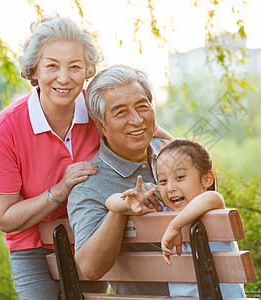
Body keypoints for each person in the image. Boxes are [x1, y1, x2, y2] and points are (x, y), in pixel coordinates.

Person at [0, 16, 170, 299]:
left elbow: (156, 137)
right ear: (34, 69)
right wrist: (60, 190)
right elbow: (5, 218)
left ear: (87, 70)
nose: (64, 77)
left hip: (90, 235)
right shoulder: (4, 130)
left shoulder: (102, 109)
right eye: (52, 66)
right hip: (33, 248)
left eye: (75, 67)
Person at [67, 64, 170, 296]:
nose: (136, 120)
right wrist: (120, 210)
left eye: (142, 106)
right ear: (101, 125)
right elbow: (90, 268)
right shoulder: (89, 186)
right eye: (121, 112)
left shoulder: (174, 155)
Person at [105, 138, 246, 298]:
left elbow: (212, 197)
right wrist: (130, 202)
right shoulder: (163, 209)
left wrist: (175, 226)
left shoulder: (210, 209)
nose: (170, 188)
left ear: (207, 179)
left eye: (179, 177)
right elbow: (110, 202)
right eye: (163, 181)